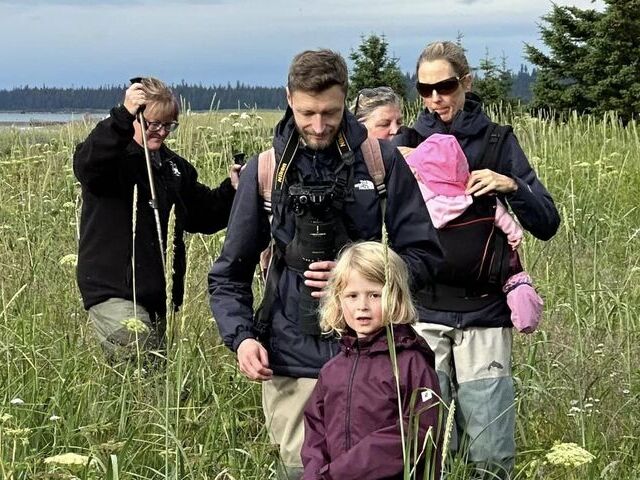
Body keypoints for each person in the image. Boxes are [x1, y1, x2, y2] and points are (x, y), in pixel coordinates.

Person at [208, 49, 442, 479]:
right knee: (303, 472)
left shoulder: (380, 162)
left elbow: (425, 255)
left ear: (346, 99)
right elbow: (229, 274)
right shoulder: (266, 170)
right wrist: (241, 339)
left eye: (330, 113)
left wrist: (360, 276)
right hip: (292, 359)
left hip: (377, 364)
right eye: (307, 113)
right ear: (288, 99)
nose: (318, 126)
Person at [394, 41, 560, 478]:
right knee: (424, 451)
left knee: (489, 455)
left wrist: (510, 185)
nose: (435, 99)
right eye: (424, 89)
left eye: (445, 86)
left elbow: (547, 222)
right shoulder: (406, 143)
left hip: (486, 315)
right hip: (422, 314)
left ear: (466, 82)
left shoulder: (497, 140)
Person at [74, 77, 239, 362]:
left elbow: (204, 214)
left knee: (152, 379)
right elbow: (87, 165)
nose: (161, 132)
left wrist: (233, 188)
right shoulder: (111, 160)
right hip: (114, 292)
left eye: (169, 125)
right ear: (136, 118)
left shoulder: (173, 168)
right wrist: (121, 117)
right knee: (144, 365)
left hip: (157, 295)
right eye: (154, 124)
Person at [301, 241, 442, 480]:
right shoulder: (332, 370)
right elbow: (315, 431)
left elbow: (419, 432)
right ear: (338, 299)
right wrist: (317, 475)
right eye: (352, 296)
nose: (362, 306)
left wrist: (341, 472)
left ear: (395, 296)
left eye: (375, 295)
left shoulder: (411, 363)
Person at [406, 133, 544, 334]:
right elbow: (504, 219)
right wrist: (515, 233)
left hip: (427, 307)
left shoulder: (418, 197)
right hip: (485, 307)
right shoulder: (482, 197)